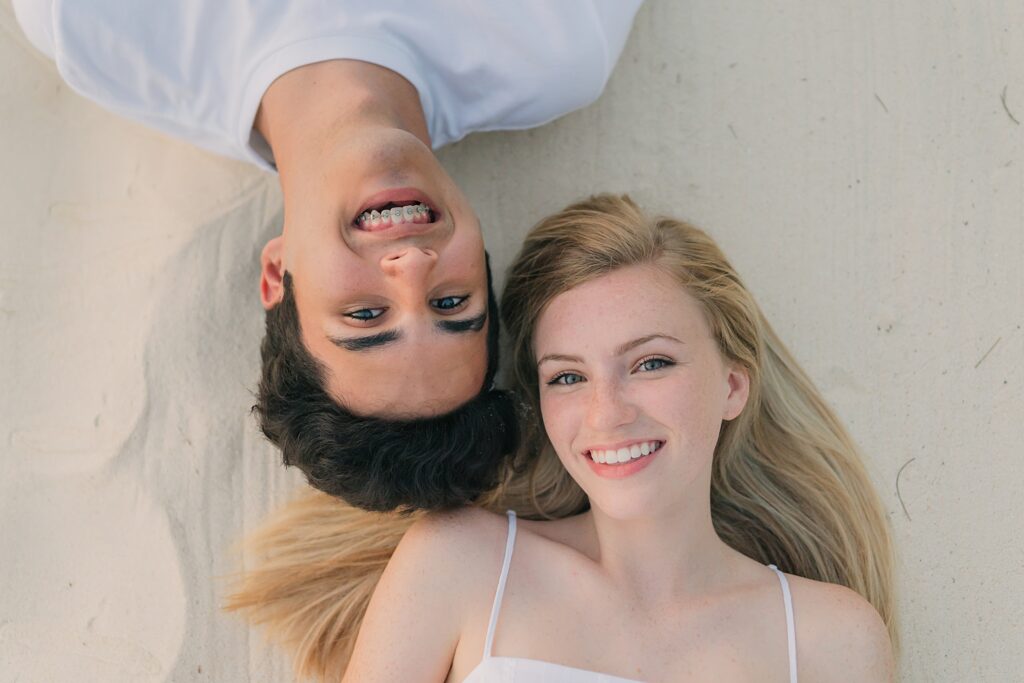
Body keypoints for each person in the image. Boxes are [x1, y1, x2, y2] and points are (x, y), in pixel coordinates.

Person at [228, 195, 897, 681]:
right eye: (569, 376)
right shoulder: (462, 564)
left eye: (651, 363)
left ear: (732, 385)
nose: (607, 413)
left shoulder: (828, 640)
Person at [12, 0, 644, 511]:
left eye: (365, 316)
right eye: (453, 303)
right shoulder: (554, 43)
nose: (412, 267)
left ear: (275, 273)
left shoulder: (93, 25)